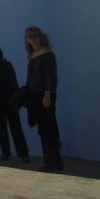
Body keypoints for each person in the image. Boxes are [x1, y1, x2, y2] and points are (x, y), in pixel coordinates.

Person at [24, 26, 63, 172]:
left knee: (49, 129)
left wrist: (47, 94)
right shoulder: (33, 54)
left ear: (41, 37)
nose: (32, 38)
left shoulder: (47, 54)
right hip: (35, 96)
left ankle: (55, 163)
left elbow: (51, 76)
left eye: (35, 35)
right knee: (43, 129)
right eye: (29, 36)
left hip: (44, 96)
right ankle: (49, 161)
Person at [0, 44, 29, 162]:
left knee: (16, 127)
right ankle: (5, 153)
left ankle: (23, 154)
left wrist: (16, 99)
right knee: (1, 127)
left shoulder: (7, 65)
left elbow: (14, 82)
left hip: (9, 100)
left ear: (0, 53)